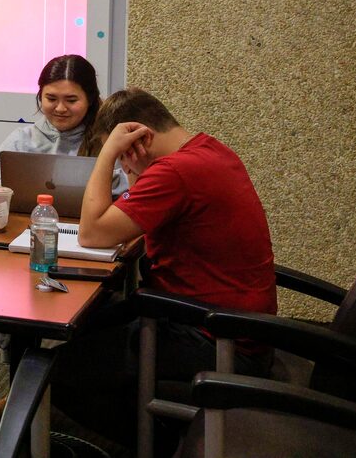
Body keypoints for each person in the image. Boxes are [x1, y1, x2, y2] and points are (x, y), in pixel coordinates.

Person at [53, 87, 277, 447]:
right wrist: (134, 173)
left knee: (59, 371)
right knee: (87, 324)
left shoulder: (175, 173)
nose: (124, 166)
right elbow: (129, 225)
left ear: (141, 137)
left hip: (219, 339)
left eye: (123, 154)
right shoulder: (207, 149)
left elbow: (92, 234)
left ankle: (160, 446)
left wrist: (106, 156)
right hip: (234, 325)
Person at [0, 55, 127, 195]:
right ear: (40, 96)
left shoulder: (111, 142)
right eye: (51, 98)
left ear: (90, 99)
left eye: (71, 100)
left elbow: (130, 190)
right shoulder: (21, 140)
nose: (60, 108)